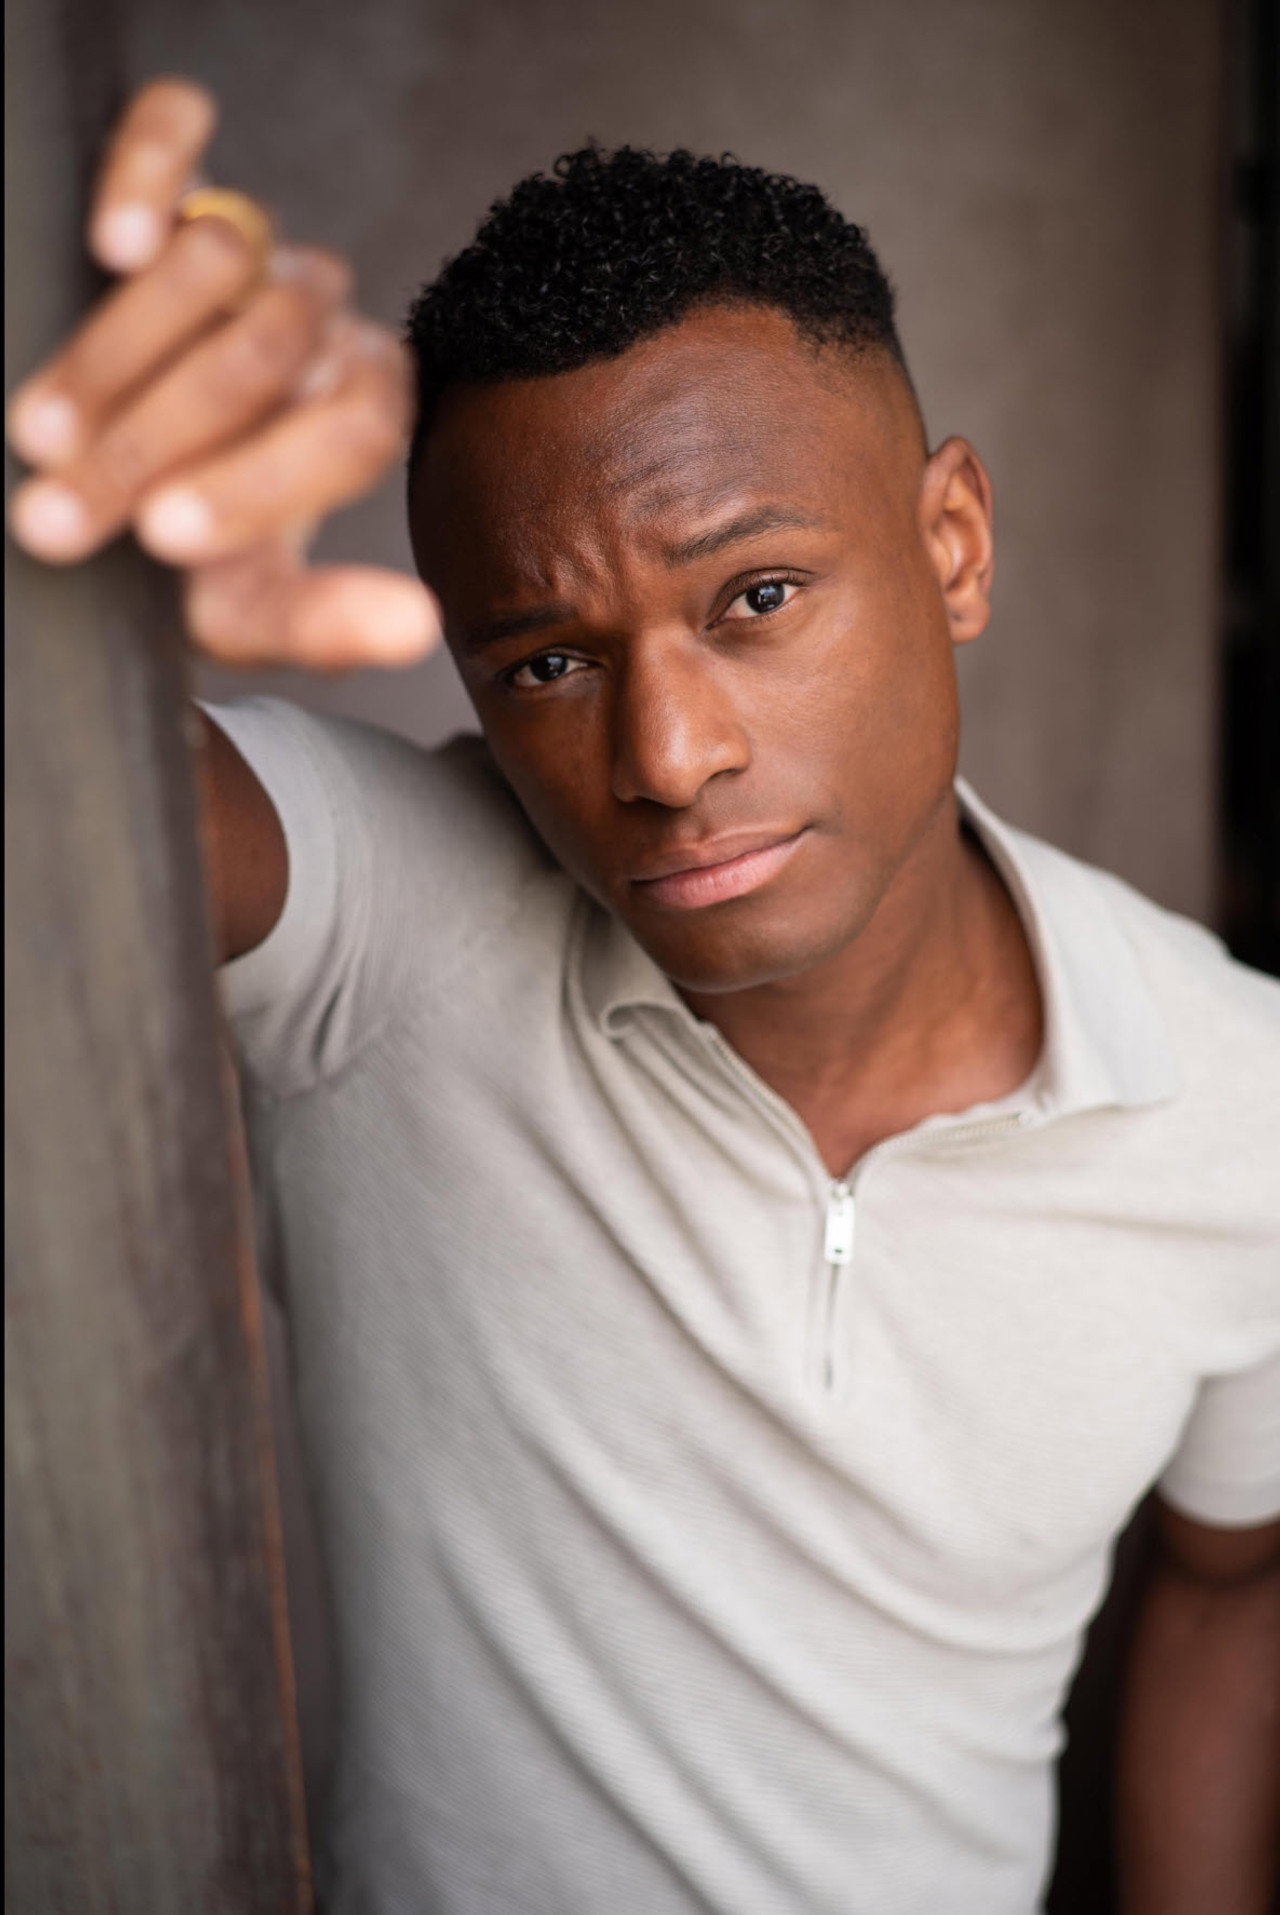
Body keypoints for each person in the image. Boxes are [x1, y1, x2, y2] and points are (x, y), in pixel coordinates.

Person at [8, 78, 1279, 1915]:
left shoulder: (1238, 1102)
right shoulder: (389, 915)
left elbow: (1236, 1581)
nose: (667, 758)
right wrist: (70, 540)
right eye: (547, 661)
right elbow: (51, 801)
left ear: (953, 544)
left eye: (755, 595)